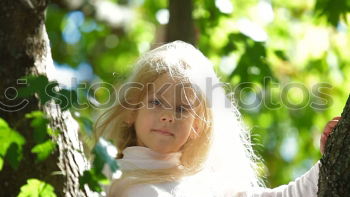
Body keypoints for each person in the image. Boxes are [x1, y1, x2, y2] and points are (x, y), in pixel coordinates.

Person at [95, 41, 340, 197]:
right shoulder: (107, 173)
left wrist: (330, 159)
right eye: (156, 102)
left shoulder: (210, 186)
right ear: (130, 110)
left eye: (182, 109)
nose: (168, 116)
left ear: (197, 127)